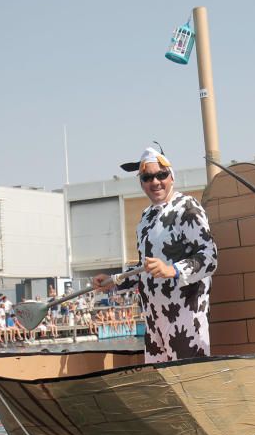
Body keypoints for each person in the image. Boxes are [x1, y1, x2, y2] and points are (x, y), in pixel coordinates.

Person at [93, 145, 217, 363]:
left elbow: (209, 257)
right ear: (141, 182)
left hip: (186, 321)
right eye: (148, 177)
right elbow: (144, 269)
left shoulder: (186, 208)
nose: (155, 182)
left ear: (171, 177)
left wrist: (172, 270)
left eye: (161, 175)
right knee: (162, 387)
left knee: (189, 382)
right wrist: (114, 281)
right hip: (153, 323)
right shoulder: (146, 218)